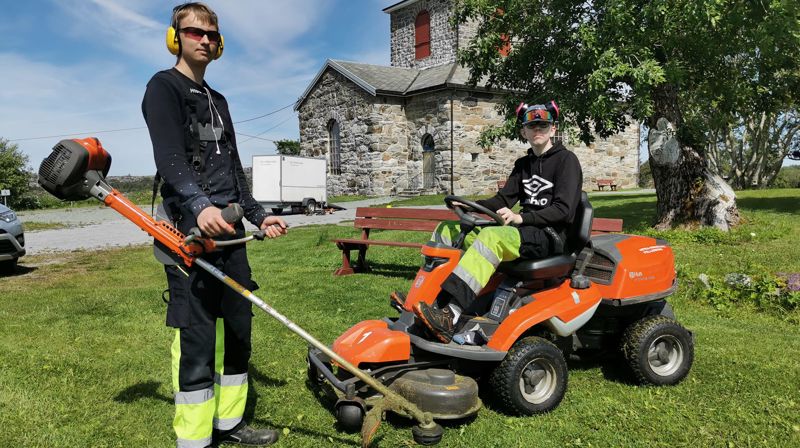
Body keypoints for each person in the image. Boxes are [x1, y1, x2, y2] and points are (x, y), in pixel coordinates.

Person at [141, 3, 286, 447]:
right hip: (190, 235)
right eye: (194, 32)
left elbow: (235, 170)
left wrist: (260, 215)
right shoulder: (162, 88)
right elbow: (169, 157)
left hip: (231, 235)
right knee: (198, 339)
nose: (204, 40)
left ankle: (230, 423)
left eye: (211, 34)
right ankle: (195, 439)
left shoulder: (218, 101)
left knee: (238, 331)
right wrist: (200, 205)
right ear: (175, 37)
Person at [413, 101, 583, 343]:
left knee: (491, 237)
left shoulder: (567, 161)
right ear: (523, 131)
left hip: (549, 236)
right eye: (532, 126)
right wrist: (469, 205)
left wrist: (521, 217)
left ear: (553, 129)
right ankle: (427, 301)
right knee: (448, 230)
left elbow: (564, 211)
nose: (538, 131)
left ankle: (450, 316)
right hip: (523, 232)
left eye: (543, 126)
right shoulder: (523, 165)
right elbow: (503, 199)